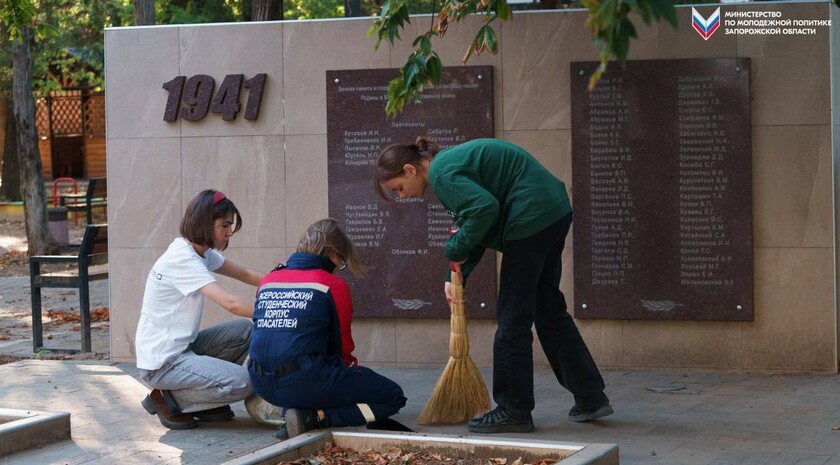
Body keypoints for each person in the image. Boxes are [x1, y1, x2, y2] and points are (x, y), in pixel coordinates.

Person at [374, 137, 613, 434]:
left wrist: (453, 250)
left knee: (512, 318)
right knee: (548, 309)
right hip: (553, 211)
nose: (401, 196)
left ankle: (513, 409)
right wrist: (455, 275)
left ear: (410, 169)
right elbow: (477, 219)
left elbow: (483, 210)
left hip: (529, 218)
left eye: (397, 188)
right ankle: (590, 397)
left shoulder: (441, 173)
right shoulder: (448, 163)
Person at [247, 218, 407, 438]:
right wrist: (348, 376)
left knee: (300, 368)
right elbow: (342, 347)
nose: (339, 268)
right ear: (333, 255)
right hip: (306, 381)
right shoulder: (332, 286)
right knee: (393, 396)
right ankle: (316, 417)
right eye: (341, 262)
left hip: (261, 383)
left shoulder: (268, 280)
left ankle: (295, 412)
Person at [135, 189, 263, 430]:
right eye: (224, 225)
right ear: (205, 222)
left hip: (183, 349)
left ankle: (206, 402)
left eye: (231, 226)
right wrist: (281, 312)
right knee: (246, 383)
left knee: (244, 331)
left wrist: (289, 283)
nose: (229, 232)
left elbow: (245, 274)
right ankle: (166, 399)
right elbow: (231, 303)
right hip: (163, 363)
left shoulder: (200, 252)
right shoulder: (182, 259)